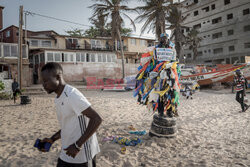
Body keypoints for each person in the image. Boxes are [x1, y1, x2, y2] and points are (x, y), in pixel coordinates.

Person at [39, 62, 102, 167]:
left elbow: (96, 119)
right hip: (67, 151)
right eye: (43, 81)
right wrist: (52, 139)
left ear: (58, 77)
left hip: (82, 153)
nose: (43, 85)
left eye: (46, 81)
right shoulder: (58, 98)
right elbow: (67, 125)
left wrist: (77, 145)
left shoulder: (72, 95)